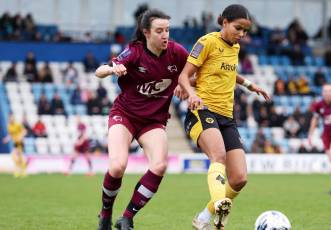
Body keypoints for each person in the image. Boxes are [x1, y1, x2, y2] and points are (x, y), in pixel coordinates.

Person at [176, 4, 270, 229]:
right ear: (224, 22)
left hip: (227, 117)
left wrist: (249, 84)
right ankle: (220, 204)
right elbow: (183, 76)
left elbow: (227, 71)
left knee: (239, 178)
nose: (242, 35)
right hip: (202, 111)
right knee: (218, 156)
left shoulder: (235, 48)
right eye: (238, 28)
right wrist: (191, 94)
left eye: (245, 31)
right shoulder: (206, 42)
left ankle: (204, 218)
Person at [94, 9, 188, 230]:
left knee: (160, 165)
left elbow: (193, 72)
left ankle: (126, 217)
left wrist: (186, 86)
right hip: (125, 115)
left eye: (167, 30)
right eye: (159, 31)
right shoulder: (134, 52)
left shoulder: (177, 53)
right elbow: (100, 71)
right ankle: (105, 214)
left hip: (153, 120)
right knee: (117, 167)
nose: (165, 35)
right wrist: (111, 69)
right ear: (146, 33)